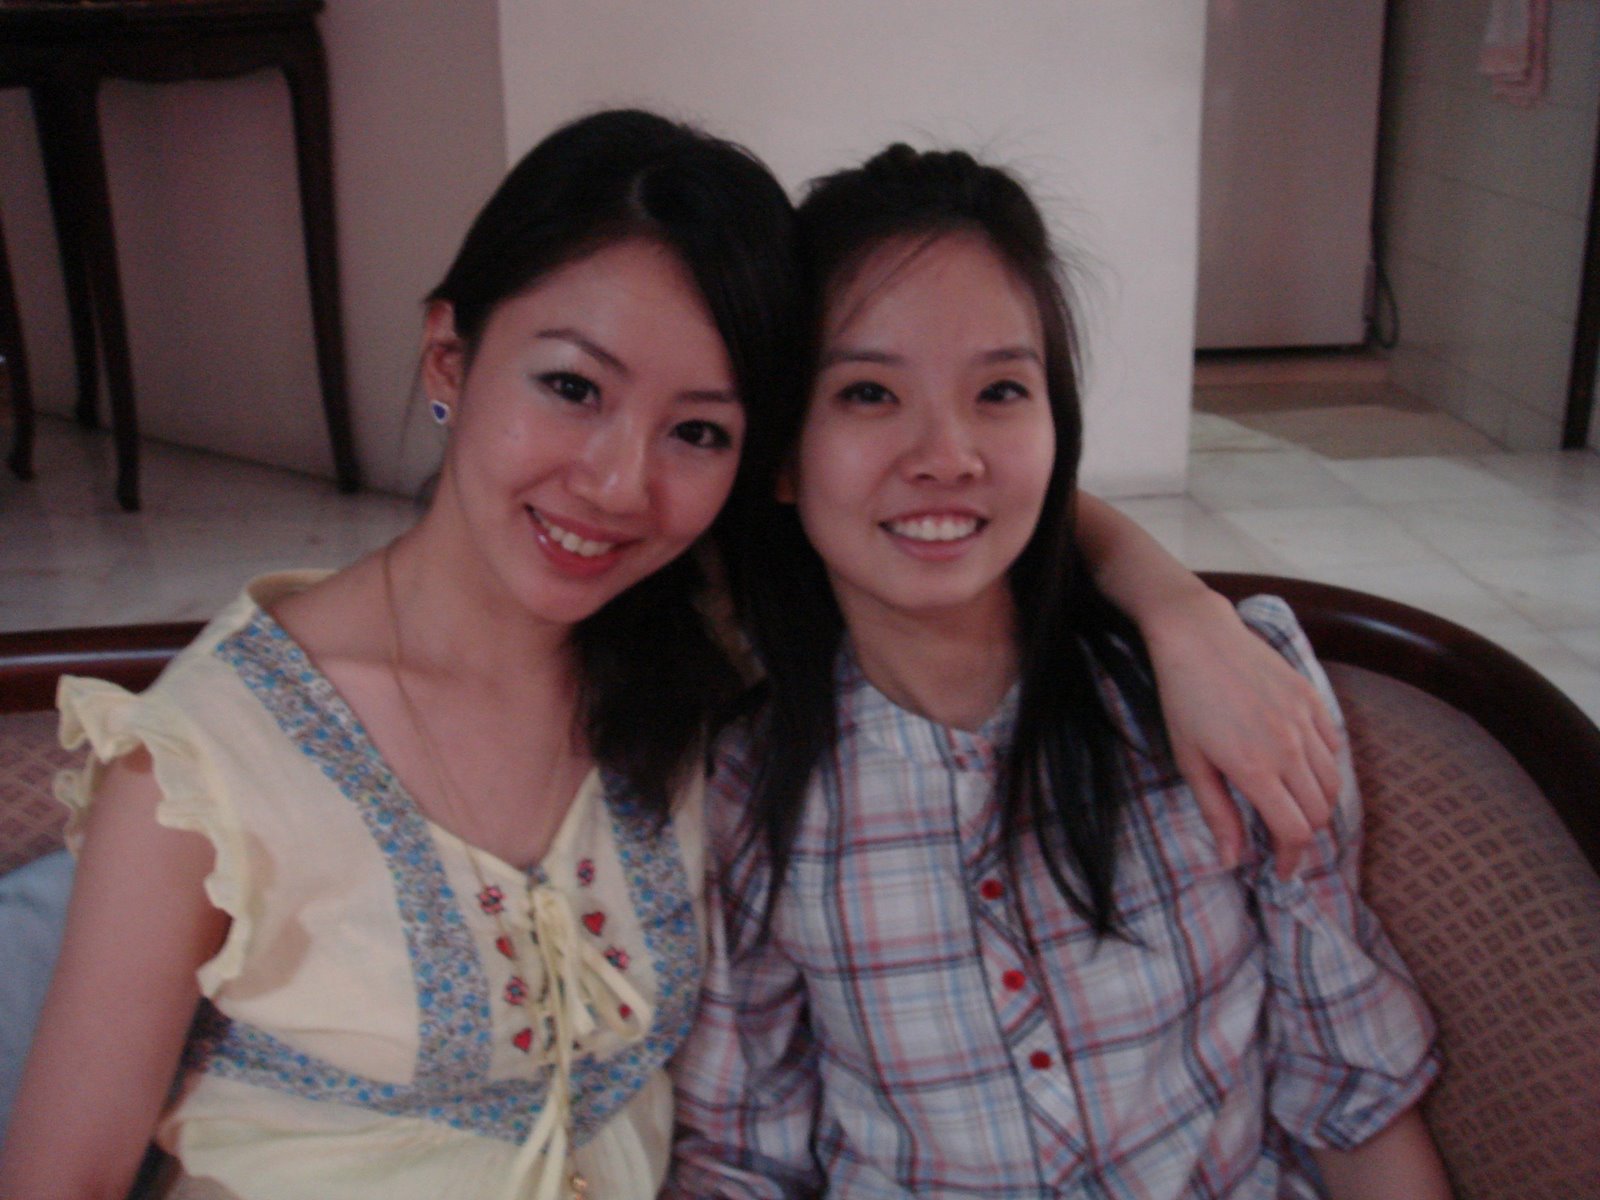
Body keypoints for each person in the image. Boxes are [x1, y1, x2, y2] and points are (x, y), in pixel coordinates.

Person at [0, 111, 1340, 1200]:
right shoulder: (205, 764)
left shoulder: (703, 640)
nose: (618, 484)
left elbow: (954, 497)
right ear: (449, 357)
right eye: (571, 387)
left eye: (698, 430)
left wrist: (1177, 614)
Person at [668, 144, 1451, 1198]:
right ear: (779, 456)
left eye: (1000, 389)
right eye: (868, 393)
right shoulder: (751, 792)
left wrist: (1179, 612)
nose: (948, 454)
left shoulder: (1215, 703)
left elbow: (1351, 1091)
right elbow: (743, 1158)